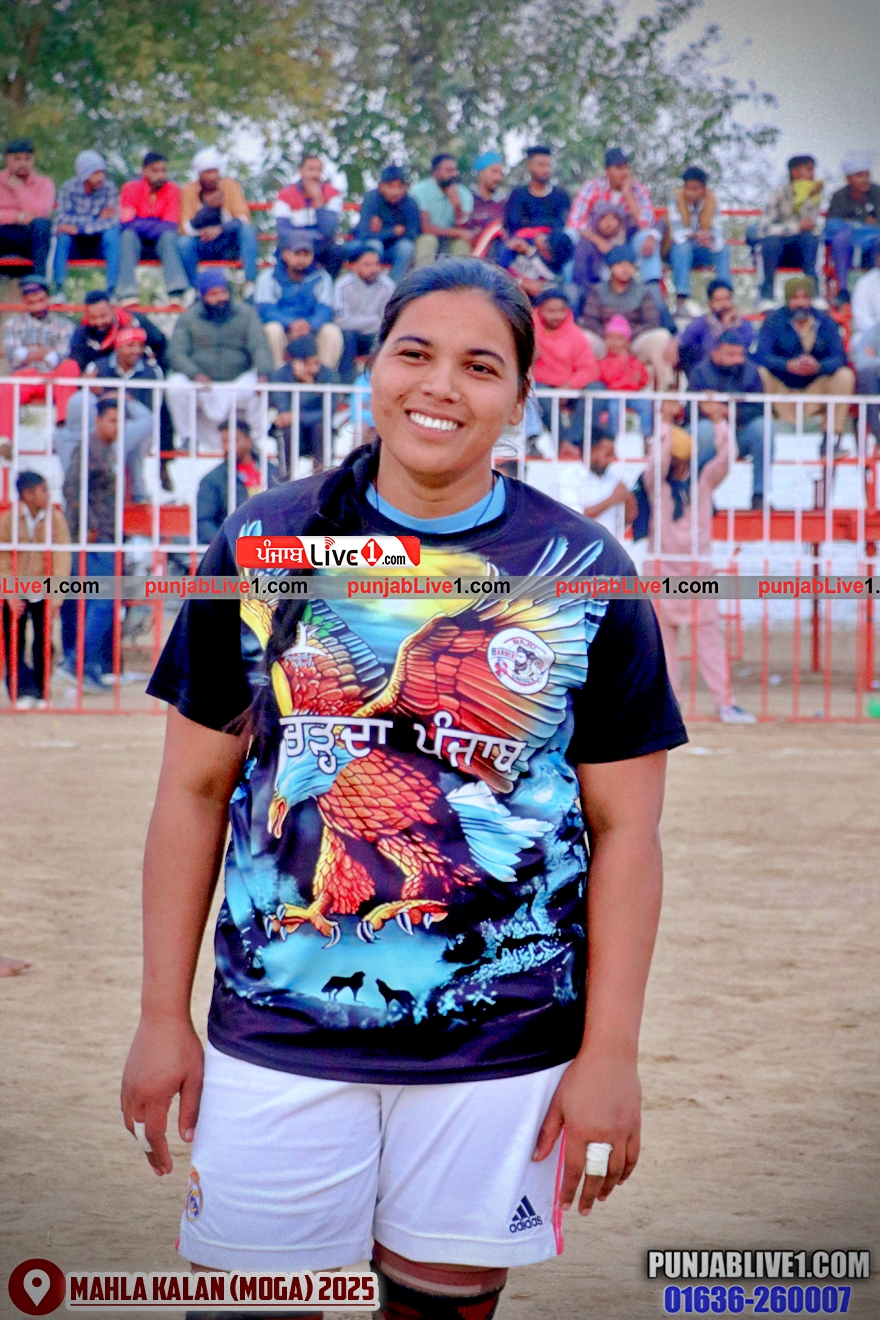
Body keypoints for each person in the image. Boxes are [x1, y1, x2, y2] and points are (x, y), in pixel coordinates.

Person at [124, 257, 687, 1320]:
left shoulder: (581, 568)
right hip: (277, 1029)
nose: (440, 386)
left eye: (480, 366)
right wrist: (162, 1015)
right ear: (373, 367)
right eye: (414, 353)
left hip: (499, 1040)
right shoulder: (263, 543)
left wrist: (611, 1052)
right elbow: (192, 794)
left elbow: (627, 830)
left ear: (520, 396)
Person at [646, 406, 755, 723]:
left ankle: (725, 702)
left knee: (710, 643)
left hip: (697, 573)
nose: (673, 462)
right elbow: (656, 462)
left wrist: (719, 421)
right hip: (663, 572)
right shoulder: (657, 485)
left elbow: (727, 458)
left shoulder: (703, 482)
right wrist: (665, 424)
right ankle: (670, 707)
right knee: (664, 647)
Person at [60, 397, 129, 689]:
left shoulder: (107, 450)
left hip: (105, 536)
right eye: (112, 420)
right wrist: (87, 524)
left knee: (98, 601)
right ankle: (75, 662)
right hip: (94, 537)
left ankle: (87, 666)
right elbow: (72, 488)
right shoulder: (88, 448)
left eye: (120, 421)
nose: (117, 427)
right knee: (103, 600)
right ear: (98, 420)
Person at [166, 271, 273, 451]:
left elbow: (260, 347)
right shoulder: (188, 318)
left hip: (237, 380)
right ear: (203, 296)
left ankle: (254, 439)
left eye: (223, 292)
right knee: (175, 386)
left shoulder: (246, 314)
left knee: (260, 387)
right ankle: (188, 438)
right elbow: (176, 353)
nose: (220, 298)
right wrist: (195, 374)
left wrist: (263, 373)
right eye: (213, 294)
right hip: (202, 383)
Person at [0, 471, 71, 708]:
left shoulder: (55, 519)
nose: (48, 495)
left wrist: (57, 597)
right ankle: (20, 690)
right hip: (15, 590)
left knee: (43, 641)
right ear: (27, 494)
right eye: (43, 490)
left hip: (43, 589)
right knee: (14, 642)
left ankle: (41, 690)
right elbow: (3, 559)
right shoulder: (9, 520)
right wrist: (9, 593)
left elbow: (61, 559)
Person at [755, 276, 855, 437]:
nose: (800, 303)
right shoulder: (773, 321)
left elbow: (839, 358)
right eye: (795, 298)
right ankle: (761, 435)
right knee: (760, 373)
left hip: (815, 389)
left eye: (805, 298)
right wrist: (787, 365)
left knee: (845, 376)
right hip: (781, 389)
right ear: (787, 300)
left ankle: (831, 438)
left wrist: (818, 367)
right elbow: (761, 356)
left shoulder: (825, 321)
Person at [689, 330, 771, 508]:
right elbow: (689, 410)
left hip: (740, 431)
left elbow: (759, 409)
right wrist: (708, 410)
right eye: (731, 355)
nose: (738, 360)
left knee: (764, 429)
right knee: (703, 431)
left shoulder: (751, 372)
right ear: (715, 354)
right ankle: (699, 493)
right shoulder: (700, 372)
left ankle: (760, 494)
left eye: (740, 354)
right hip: (711, 432)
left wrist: (729, 412)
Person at [580, 244, 677, 390]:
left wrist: (625, 339)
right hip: (605, 341)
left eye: (630, 265)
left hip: (633, 343)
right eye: (620, 264)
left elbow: (652, 322)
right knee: (584, 337)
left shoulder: (643, 292)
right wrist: (612, 338)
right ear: (611, 267)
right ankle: (586, 388)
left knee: (661, 336)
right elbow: (590, 322)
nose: (625, 269)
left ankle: (666, 391)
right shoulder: (597, 291)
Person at [568, 149, 661, 297]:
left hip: (627, 243)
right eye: (619, 168)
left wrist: (627, 193)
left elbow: (645, 225)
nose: (624, 172)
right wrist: (597, 240)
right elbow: (575, 222)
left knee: (647, 238)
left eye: (626, 167)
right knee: (570, 236)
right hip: (593, 242)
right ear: (607, 170)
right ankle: (570, 292)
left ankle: (653, 293)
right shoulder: (593, 187)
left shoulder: (637, 190)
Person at [0, 277, 79, 444]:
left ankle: (64, 428)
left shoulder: (65, 325)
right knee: (6, 387)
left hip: (55, 377)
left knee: (70, 366)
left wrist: (28, 352)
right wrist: (45, 353)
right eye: (31, 301)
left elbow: (60, 357)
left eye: (40, 299)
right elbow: (14, 358)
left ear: (47, 298)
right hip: (26, 376)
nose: (37, 305)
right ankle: (4, 442)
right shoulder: (12, 324)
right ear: (25, 301)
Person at [255, 231, 342, 371]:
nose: (302, 259)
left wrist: (310, 325)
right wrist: (290, 324)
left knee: (332, 332)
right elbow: (266, 310)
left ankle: (324, 378)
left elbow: (325, 309)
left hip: (312, 331)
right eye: (297, 254)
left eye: (306, 255)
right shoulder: (268, 277)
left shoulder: (322, 277)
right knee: (271, 330)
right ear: (285, 254)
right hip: (284, 331)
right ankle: (275, 378)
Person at [101, 325, 175, 488]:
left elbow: (151, 409)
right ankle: (138, 491)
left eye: (140, 346)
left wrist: (122, 399)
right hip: (107, 426)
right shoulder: (100, 367)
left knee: (142, 429)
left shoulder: (152, 372)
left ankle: (116, 470)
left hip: (137, 425)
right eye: (130, 345)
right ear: (119, 346)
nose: (136, 351)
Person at [178, 148, 259, 296]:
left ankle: (250, 284)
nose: (213, 176)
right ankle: (194, 290)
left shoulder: (230, 186)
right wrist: (206, 212)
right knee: (184, 243)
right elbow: (185, 228)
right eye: (208, 172)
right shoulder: (189, 190)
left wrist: (220, 229)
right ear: (199, 174)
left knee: (249, 230)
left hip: (227, 243)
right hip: (203, 243)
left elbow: (243, 218)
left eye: (215, 171)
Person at [117, 152, 189, 305]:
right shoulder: (130, 188)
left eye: (163, 171)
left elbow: (170, 224)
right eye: (155, 171)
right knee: (127, 236)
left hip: (161, 243)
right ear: (144, 171)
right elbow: (127, 222)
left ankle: (175, 293)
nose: (160, 175)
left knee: (169, 236)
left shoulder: (173, 190)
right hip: (136, 243)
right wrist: (154, 222)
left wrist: (141, 222)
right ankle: (128, 294)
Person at [531, 288, 597, 453]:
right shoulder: (528, 330)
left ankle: (572, 441)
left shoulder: (576, 334)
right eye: (551, 311)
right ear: (539, 310)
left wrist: (569, 385)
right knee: (538, 392)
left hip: (569, 387)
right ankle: (562, 442)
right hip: (542, 385)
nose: (556, 316)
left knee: (597, 389)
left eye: (561, 311)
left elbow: (590, 368)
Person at [757, 156, 823, 309]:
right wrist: (796, 227)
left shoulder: (813, 195)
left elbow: (812, 226)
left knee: (810, 238)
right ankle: (766, 296)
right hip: (776, 251)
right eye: (809, 170)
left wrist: (809, 198)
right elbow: (764, 228)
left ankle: (814, 294)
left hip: (802, 252)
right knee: (771, 241)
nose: (813, 174)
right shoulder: (778, 193)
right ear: (795, 172)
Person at [269, 333, 341, 471]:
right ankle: (286, 477)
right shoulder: (280, 376)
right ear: (295, 363)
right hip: (294, 432)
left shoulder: (329, 375)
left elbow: (328, 412)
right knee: (288, 429)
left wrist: (310, 386)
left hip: (316, 430)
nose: (314, 368)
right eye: (308, 363)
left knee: (322, 427)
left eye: (316, 362)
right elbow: (284, 412)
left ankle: (322, 477)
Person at [197, 418, 276, 543]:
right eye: (224, 442)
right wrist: (226, 546)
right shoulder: (212, 480)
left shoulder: (272, 472)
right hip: (234, 546)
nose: (227, 447)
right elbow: (203, 522)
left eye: (233, 441)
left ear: (248, 441)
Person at [52, 150, 121, 294]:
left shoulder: (109, 188)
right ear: (84, 174)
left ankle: (112, 290)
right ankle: (59, 290)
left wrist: (79, 226)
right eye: (95, 173)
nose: (101, 177)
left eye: (102, 172)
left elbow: (113, 221)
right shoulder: (69, 188)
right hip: (76, 244)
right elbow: (61, 220)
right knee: (63, 236)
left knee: (112, 234)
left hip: (99, 243)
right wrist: (96, 219)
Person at [502, 145, 573, 279]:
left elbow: (561, 225)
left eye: (548, 165)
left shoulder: (561, 196)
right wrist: (531, 239)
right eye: (541, 165)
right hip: (521, 243)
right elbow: (512, 224)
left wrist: (543, 239)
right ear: (529, 166)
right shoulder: (518, 195)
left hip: (551, 246)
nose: (545, 169)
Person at [666, 166, 730, 313]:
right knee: (682, 247)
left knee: (723, 249)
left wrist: (710, 240)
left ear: (703, 190)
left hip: (701, 249)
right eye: (688, 188)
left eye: (695, 189)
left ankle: (725, 297)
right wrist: (696, 235)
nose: (691, 193)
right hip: (677, 252)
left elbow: (717, 232)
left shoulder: (712, 200)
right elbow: (677, 234)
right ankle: (681, 301)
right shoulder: (675, 198)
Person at [552, 427, 630, 544]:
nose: (611, 460)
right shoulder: (567, 478)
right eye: (607, 455)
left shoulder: (613, 479)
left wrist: (628, 500)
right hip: (579, 548)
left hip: (609, 548)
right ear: (591, 452)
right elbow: (574, 518)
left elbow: (624, 521)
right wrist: (612, 500)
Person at [273, 154, 344, 276]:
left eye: (319, 170)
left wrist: (318, 200)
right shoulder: (285, 195)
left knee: (337, 251)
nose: (315, 175)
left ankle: (329, 286)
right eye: (311, 169)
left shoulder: (332, 194)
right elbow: (282, 229)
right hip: (295, 243)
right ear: (301, 171)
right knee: (284, 252)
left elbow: (328, 230)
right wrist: (309, 237)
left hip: (320, 245)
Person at [68, 289, 167, 375]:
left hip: (137, 378)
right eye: (93, 318)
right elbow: (78, 364)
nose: (99, 322)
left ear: (112, 309)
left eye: (103, 316)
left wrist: (156, 370)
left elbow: (160, 344)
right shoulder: (82, 333)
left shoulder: (135, 321)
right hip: (101, 382)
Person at [333, 245, 395, 381]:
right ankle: (346, 386)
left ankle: (380, 384)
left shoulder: (387, 286)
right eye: (367, 265)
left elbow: (387, 322)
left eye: (376, 264)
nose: (374, 269)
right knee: (347, 335)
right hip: (350, 337)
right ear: (354, 267)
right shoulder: (343, 285)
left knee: (385, 338)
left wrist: (358, 322)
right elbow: (341, 321)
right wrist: (373, 320)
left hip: (374, 336)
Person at [824, 155, 880, 304]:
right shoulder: (839, 196)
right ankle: (843, 290)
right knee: (840, 238)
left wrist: (854, 225)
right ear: (849, 178)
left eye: (867, 175)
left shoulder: (877, 193)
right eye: (859, 175)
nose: (865, 179)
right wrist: (862, 226)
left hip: (873, 244)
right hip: (848, 244)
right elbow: (832, 225)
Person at [587, 315, 654, 438]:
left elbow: (643, 379)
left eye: (619, 338)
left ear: (627, 342)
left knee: (646, 405)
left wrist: (639, 379)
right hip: (613, 396)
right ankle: (613, 438)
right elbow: (606, 378)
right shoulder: (603, 362)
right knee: (615, 409)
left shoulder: (634, 362)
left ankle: (647, 437)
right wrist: (620, 362)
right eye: (610, 338)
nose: (614, 342)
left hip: (631, 395)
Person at [677, 279, 754, 380]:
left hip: (738, 378)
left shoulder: (743, 324)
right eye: (718, 300)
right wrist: (674, 343)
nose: (724, 304)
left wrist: (729, 327)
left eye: (727, 299)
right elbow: (683, 339)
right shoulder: (703, 323)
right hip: (707, 378)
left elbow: (746, 348)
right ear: (710, 303)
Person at [0, 139, 54, 279]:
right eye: (17, 159)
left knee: (42, 225)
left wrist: (18, 188)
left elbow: (41, 212)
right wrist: (18, 217)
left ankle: (38, 282)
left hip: (29, 237)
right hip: (3, 233)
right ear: (7, 160)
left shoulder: (44, 184)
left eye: (27, 159)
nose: (23, 163)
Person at [356, 166, 421, 282]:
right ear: (381, 186)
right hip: (369, 246)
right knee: (375, 245)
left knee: (407, 247)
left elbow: (411, 234)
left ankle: (396, 287)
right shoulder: (371, 199)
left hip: (395, 249)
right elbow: (365, 233)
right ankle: (374, 285)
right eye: (390, 186)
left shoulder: (410, 203)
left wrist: (380, 231)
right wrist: (392, 232)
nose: (395, 192)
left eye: (400, 187)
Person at [412, 154, 475, 266]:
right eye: (449, 170)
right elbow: (425, 228)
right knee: (428, 241)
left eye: (455, 170)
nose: (454, 174)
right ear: (435, 172)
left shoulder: (464, 193)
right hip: (426, 237)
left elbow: (464, 228)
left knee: (462, 245)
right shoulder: (420, 191)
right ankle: (423, 277)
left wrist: (457, 206)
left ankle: (460, 277)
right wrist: (457, 232)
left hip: (451, 239)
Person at [571, 200, 635, 299]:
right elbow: (580, 277)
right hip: (592, 295)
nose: (609, 223)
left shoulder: (624, 243)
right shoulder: (586, 245)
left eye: (613, 218)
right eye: (603, 218)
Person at [460, 151, 507, 257]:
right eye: (494, 172)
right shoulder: (467, 200)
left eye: (501, 174)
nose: (498, 178)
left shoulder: (503, 204)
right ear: (481, 172)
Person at [851, 245, 880, 350]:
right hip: (874, 335)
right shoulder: (865, 283)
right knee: (857, 340)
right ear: (877, 258)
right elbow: (861, 319)